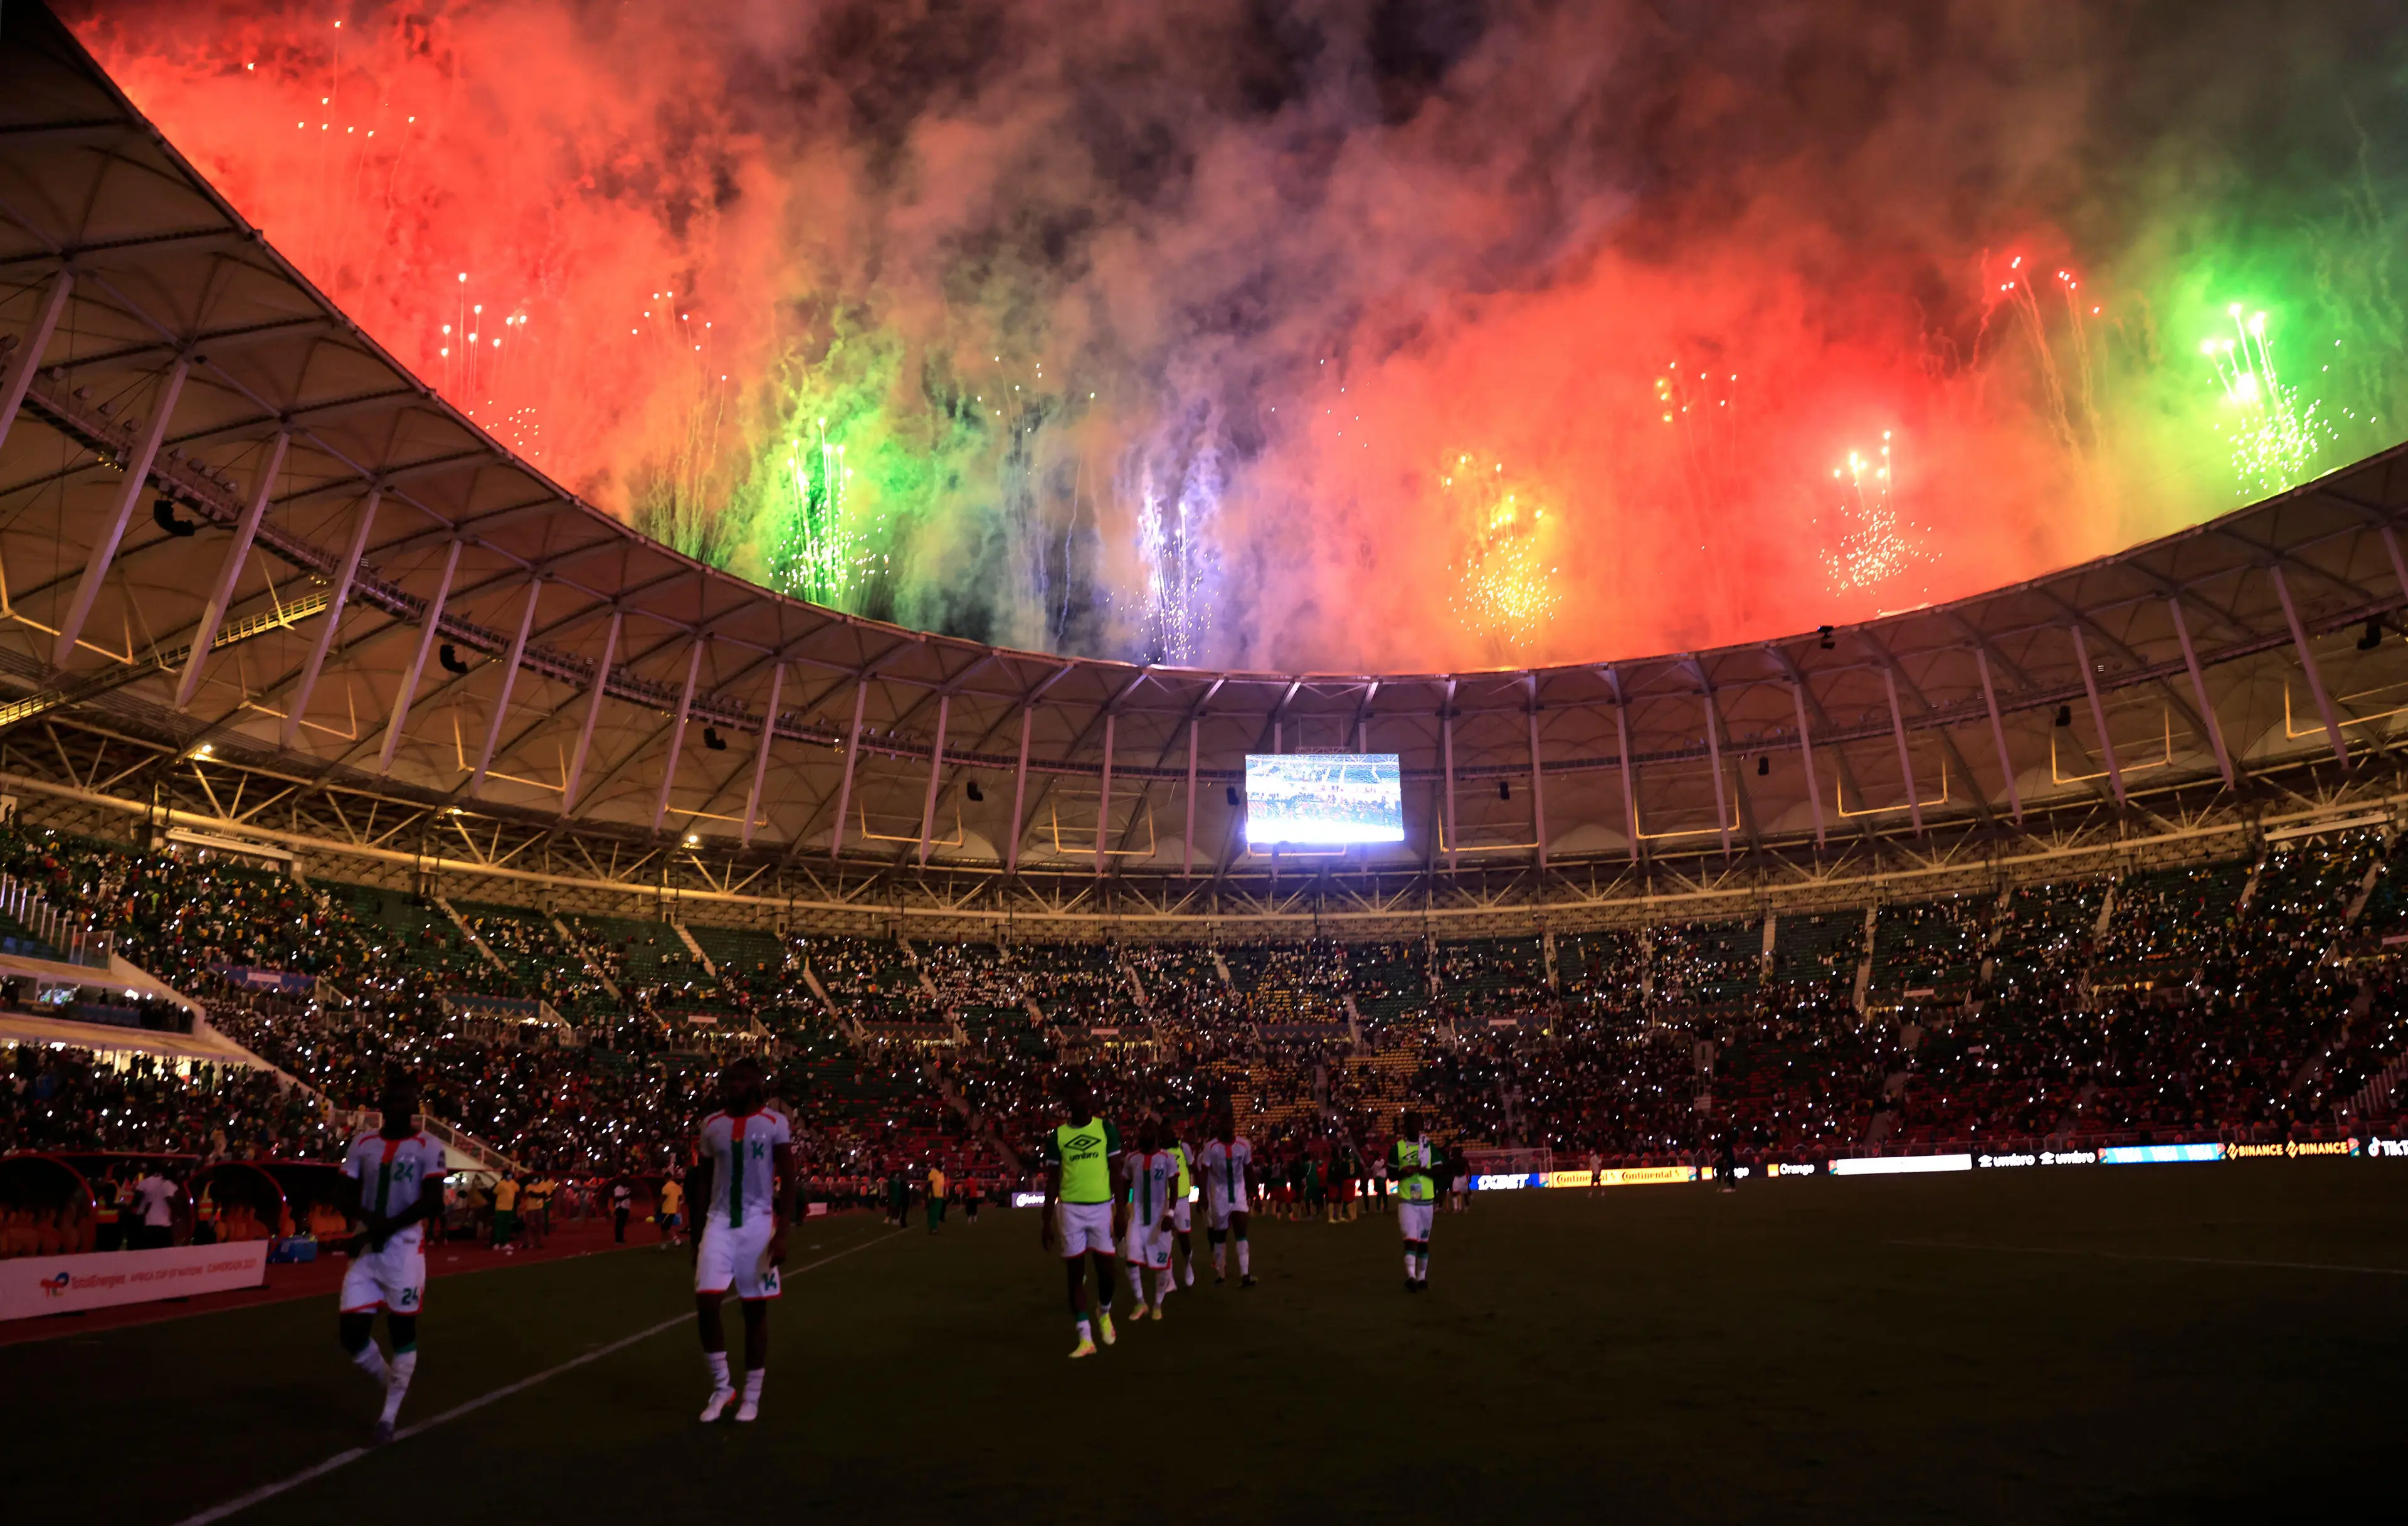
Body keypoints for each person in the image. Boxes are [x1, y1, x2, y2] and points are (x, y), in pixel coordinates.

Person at [336, 1069, 448, 1445]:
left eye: (406, 1100)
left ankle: (387, 1417)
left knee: (402, 1331)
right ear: (382, 1105)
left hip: (404, 1252)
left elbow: (433, 1201)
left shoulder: (429, 1146)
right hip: (366, 1248)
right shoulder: (361, 1142)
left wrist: (378, 1230)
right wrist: (369, 1227)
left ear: (415, 1106)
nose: (398, 1106)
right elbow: (345, 1193)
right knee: (351, 1334)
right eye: (392, 1099)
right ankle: (394, 1384)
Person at [690, 1057, 793, 1424]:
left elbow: (790, 1179)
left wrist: (782, 1232)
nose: (732, 1084)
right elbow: (701, 1181)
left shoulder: (775, 1123)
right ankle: (722, 1388)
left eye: (741, 1078)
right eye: (728, 1078)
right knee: (706, 1304)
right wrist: (696, 1234)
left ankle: (751, 1395)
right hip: (718, 1224)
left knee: (754, 1310)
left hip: (757, 1225)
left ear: (756, 1083)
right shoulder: (711, 1126)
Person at [1038, 1076, 1125, 1359]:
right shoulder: (1058, 1136)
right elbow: (1052, 1180)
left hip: (1101, 1209)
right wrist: (1046, 1220)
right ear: (1070, 1107)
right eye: (1078, 1103)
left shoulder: (1106, 1129)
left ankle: (1104, 1311)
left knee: (1108, 1274)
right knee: (1075, 1276)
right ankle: (1085, 1336)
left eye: (1087, 1102)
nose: (1085, 1107)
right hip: (1070, 1210)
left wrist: (1121, 1211)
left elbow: (1116, 1171)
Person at [1121, 1120, 1178, 1320]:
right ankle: (1141, 1303)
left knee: (1162, 1266)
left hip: (1160, 1219)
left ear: (1156, 1135)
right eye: (1142, 1130)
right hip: (1136, 1218)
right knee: (1131, 1259)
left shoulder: (1168, 1158)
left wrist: (1170, 1214)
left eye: (1148, 1130)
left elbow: (1174, 1189)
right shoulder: (1131, 1158)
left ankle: (1158, 1304)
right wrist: (1120, 1211)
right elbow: (1124, 1185)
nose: (1144, 1133)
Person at [1196, 1107, 1255, 1288]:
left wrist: (1256, 1194)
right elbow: (1204, 1172)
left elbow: (1249, 1169)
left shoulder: (1244, 1145)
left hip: (1238, 1193)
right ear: (1220, 1126)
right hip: (1219, 1195)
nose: (1228, 1127)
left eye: (1230, 1123)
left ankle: (1245, 1274)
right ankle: (1221, 1274)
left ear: (1234, 1125)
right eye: (1224, 1124)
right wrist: (1202, 1195)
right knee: (1220, 1235)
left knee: (1241, 1231)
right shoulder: (1211, 1147)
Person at [1390, 1110, 1437, 1292]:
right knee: (1411, 1239)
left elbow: (1439, 1171)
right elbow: (1392, 1174)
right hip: (1407, 1200)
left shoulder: (1429, 1147)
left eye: (1417, 1124)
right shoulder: (1398, 1148)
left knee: (1424, 1241)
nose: (1414, 1127)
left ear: (1422, 1126)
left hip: (1426, 1200)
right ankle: (1411, 1276)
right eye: (1410, 1124)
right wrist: (1403, 1173)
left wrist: (1420, 1170)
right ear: (1405, 1127)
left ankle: (1422, 1277)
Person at [1166, 1129, 1196, 1286]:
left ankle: (1188, 1264)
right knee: (1166, 1238)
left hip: (1183, 1199)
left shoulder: (1183, 1147)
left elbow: (1193, 1166)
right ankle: (1169, 1278)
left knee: (1184, 1237)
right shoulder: (1159, 1150)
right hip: (1165, 1200)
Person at [129, 1166, 177, 1251]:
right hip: (164, 1223)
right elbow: (171, 1200)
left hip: (149, 1222)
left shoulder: (144, 1183)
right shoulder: (167, 1184)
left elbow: (136, 1201)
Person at [491, 1172, 520, 1251]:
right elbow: (495, 1192)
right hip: (501, 1208)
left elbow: (518, 1188)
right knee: (499, 1226)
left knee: (506, 1227)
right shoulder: (501, 1184)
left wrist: (513, 1181)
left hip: (509, 1208)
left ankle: (505, 1243)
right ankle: (496, 1243)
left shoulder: (512, 1183)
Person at [658, 1172, 685, 1249]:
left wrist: (657, 1208)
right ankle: (675, 1241)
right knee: (667, 1227)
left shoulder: (666, 1187)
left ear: (665, 1179)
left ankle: (665, 1246)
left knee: (664, 1229)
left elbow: (663, 1199)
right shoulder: (677, 1187)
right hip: (675, 1211)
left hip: (667, 1211)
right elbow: (681, 1199)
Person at [926, 1163, 947, 1234]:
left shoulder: (942, 1174)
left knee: (937, 1213)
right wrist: (932, 1195)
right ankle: (932, 1229)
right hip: (934, 1196)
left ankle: (935, 1228)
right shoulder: (933, 1172)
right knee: (934, 1213)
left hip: (940, 1196)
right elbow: (929, 1184)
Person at [611, 1177, 633, 1243]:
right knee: (619, 1224)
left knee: (623, 1224)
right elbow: (617, 1198)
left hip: (626, 1207)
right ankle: (618, 1239)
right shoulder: (618, 1188)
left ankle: (621, 1238)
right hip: (620, 1207)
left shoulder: (628, 1188)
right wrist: (627, 1196)